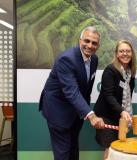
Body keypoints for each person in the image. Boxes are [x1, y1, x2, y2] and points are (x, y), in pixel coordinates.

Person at [39, 26, 105, 160]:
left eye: (94, 43)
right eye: (86, 41)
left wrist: (83, 111)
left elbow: (86, 89)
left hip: (76, 112)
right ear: (79, 41)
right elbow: (71, 91)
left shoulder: (95, 60)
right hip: (58, 110)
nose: (90, 45)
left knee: (73, 148)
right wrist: (91, 115)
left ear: (98, 45)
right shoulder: (66, 59)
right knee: (63, 153)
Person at [94, 40, 137, 159]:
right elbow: (108, 96)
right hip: (106, 117)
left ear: (132, 54)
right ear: (117, 54)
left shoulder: (130, 73)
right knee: (110, 149)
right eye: (121, 51)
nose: (125, 54)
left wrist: (124, 113)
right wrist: (122, 111)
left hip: (120, 119)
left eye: (128, 51)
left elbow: (128, 97)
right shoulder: (110, 70)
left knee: (119, 151)